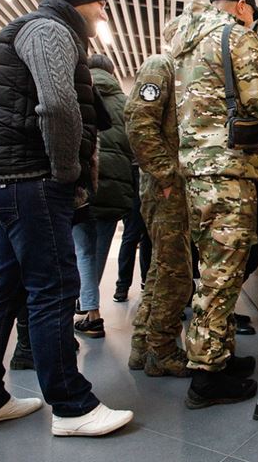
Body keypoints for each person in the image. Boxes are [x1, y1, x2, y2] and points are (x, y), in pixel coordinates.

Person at [0, 0, 132, 436]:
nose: (103, 12)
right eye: (100, 2)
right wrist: (67, 171)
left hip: (9, 181)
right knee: (54, 289)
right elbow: (57, 105)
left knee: (3, 289)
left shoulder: (38, 29)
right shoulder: (49, 29)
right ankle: (72, 407)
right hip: (32, 180)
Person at [167, 0, 258, 408]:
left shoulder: (182, 44)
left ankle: (217, 356)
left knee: (213, 268)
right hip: (229, 170)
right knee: (223, 274)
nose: (253, 20)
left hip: (198, 172)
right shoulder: (235, 35)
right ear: (240, 6)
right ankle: (206, 378)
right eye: (253, 13)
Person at [123, 54, 194, 378]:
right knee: (176, 274)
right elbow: (139, 123)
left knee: (161, 269)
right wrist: (167, 176)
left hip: (167, 186)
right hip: (164, 187)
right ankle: (162, 352)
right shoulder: (160, 66)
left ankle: (143, 344)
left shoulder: (179, 71)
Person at [72, 54, 135, 339]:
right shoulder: (126, 103)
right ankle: (88, 308)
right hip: (115, 189)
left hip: (83, 184)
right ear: (112, 72)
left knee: (82, 251)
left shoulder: (78, 93)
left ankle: (90, 310)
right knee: (97, 252)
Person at [113, 159, 151, 303]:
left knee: (146, 235)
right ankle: (123, 285)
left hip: (146, 172)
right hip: (133, 174)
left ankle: (143, 281)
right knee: (132, 236)